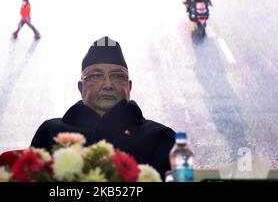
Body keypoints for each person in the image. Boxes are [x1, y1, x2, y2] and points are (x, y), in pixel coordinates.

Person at [30, 36, 176, 178]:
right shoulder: (50, 131)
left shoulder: (160, 136)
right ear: (81, 87)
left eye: (117, 76)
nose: (108, 85)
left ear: (129, 86)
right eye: (96, 76)